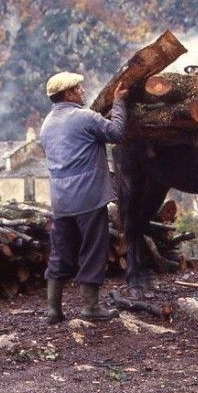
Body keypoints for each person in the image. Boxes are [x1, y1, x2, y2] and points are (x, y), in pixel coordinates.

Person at [40, 71, 128, 324]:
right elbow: (117, 133)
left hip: (61, 201)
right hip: (88, 197)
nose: (83, 92)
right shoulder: (84, 117)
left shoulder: (47, 124)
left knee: (60, 252)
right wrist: (119, 102)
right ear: (68, 94)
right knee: (92, 249)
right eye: (78, 89)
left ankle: (53, 310)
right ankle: (90, 307)